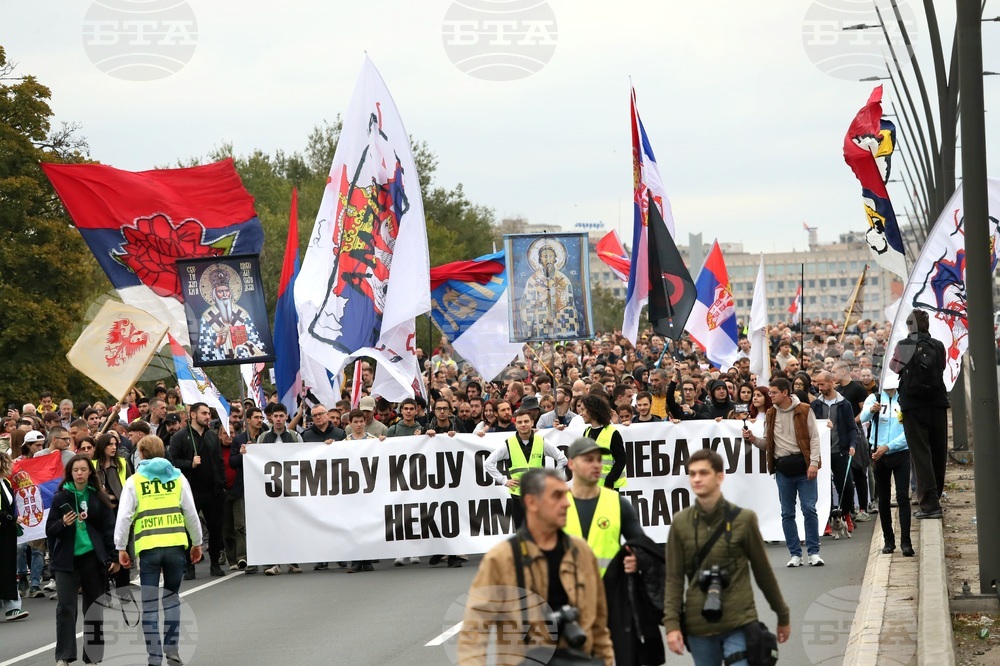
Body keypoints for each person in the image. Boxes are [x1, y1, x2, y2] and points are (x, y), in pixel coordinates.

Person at [457, 468, 614, 664]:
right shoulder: (502, 558)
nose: (566, 503)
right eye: (557, 497)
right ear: (531, 502)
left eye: (566, 496)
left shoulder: (581, 552)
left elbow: (599, 626)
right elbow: (474, 630)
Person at [664, 449, 790, 665]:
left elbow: (763, 572)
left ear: (719, 476)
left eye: (703, 473)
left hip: (738, 621)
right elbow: (674, 579)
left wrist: (782, 614)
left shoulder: (744, 520)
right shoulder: (680, 523)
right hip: (698, 625)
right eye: (692, 474)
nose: (696, 479)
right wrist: (672, 625)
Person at [115, 435, 203, 666]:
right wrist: (197, 542)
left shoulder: (135, 481)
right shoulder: (178, 477)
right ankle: (172, 649)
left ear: (141, 454)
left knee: (150, 605)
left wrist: (121, 547)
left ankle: (154, 658)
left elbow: (124, 517)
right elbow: (191, 513)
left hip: (149, 548)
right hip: (175, 546)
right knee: (172, 599)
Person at [744, 378, 824, 567]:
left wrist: (813, 463)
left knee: (809, 509)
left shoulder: (804, 410)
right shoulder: (770, 414)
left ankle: (813, 552)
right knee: (787, 513)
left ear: (785, 393)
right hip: (783, 470)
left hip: (804, 468)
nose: (769, 395)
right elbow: (767, 444)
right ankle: (795, 554)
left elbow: (814, 438)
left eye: (773, 392)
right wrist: (753, 439)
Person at [48, 454, 119, 666]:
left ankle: (94, 656)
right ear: (70, 473)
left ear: (90, 473)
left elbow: (109, 529)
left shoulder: (97, 496)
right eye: (75, 470)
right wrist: (62, 523)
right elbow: (50, 531)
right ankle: (64, 656)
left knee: (94, 608)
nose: (79, 473)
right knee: (66, 608)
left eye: (83, 470)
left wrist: (114, 557)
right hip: (66, 561)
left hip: (92, 558)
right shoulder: (61, 497)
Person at [888, 309, 949, 520]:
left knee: (920, 455)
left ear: (909, 326)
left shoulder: (905, 345)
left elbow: (894, 368)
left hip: (913, 406)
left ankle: (929, 505)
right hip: (938, 403)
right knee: (938, 452)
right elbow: (941, 366)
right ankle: (936, 497)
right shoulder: (938, 346)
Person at [169, 402, 227, 578]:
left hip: (213, 491)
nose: (207, 416)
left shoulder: (211, 436)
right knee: (189, 528)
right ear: (192, 415)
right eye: (203, 413)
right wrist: (189, 464)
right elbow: (172, 462)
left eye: (208, 413)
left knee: (216, 527)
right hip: (191, 490)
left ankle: (215, 562)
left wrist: (222, 484)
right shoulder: (180, 437)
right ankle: (189, 564)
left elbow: (218, 461)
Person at [483, 408, 568, 529]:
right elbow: (488, 463)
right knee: (522, 534)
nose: (523, 425)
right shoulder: (509, 444)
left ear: (532, 423)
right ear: (515, 424)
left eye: (526, 421)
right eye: (520, 422)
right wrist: (504, 481)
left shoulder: (542, 442)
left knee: (541, 532)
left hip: (539, 496)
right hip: (518, 497)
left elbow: (562, 459)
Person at [861, 387, 913, 557]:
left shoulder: (905, 398)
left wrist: (888, 447)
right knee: (883, 499)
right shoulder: (874, 398)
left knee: (902, 497)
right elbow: (863, 418)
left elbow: (909, 432)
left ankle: (906, 542)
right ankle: (888, 540)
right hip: (879, 455)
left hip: (900, 453)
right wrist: (871, 410)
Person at [811, 371, 860, 531]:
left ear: (831, 382)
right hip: (821, 453)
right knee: (823, 487)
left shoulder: (844, 404)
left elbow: (852, 428)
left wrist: (852, 445)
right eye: (817, 384)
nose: (819, 387)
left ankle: (845, 514)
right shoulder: (816, 405)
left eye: (822, 384)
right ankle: (827, 518)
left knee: (845, 486)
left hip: (840, 450)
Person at [197, 267, 266, 362]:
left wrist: (245, 347)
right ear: (214, 295)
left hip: (244, 360)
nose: (225, 294)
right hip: (221, 363)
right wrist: (217, 344)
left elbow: (256, 341)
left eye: (227, 291)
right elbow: (203, 350)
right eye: (220, 292)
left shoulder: (242, 314)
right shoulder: (207, 317)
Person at [516, 240, 581, 340]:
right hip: (540, 325)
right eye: (545, 256)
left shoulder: (563, 280)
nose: (548, 259)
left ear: (555, 258)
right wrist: (539, 300)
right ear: (540, 259)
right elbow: (525, 305)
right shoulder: (533, 280)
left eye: (551, 256)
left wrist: (557, 300)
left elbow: (569, 305)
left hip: (559, 324)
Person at [1, 452, 29, 621]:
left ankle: (13, 606)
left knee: (7, 568)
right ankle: (12, 606)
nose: (9, 465)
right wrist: (10, 517)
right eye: (6, 462)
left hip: (7, 533)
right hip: (3, 530)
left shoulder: (5, 482)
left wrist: (13, 518)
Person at [580, 394, 627, 491]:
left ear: (592, 410)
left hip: (608, 487)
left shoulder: (612, 433)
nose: (581, 413)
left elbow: (621, 460)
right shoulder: (587, 432)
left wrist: (609, 480)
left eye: (583, 410)